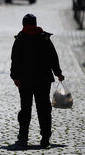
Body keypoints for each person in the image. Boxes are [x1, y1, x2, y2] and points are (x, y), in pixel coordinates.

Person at [10, 14, 64, 149]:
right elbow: (53, 58)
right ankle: (45, 137)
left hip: (24, 80)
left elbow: (15, 59)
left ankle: (23, 135)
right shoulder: (44, 38)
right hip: (43, 80)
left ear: (24, 24)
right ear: (35, 24)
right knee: (44, 108)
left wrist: (15, 76)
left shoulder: (20, 39)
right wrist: (58, 73)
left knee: (25, 108)